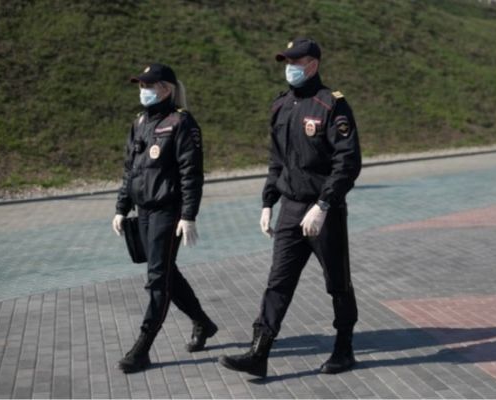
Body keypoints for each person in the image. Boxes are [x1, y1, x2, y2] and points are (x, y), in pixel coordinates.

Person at [218, 38, 362, 378]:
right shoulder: (281, 105)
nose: (289, 67)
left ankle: (344, 349)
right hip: (291, 208)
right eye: (286, 61)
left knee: (338, 282)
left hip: (324, 212)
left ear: (312, 64)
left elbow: (347, 162)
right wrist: (268, 202)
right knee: (278, 282)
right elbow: (277, 160)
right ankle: (259, 352)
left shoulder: (331, 105)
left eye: (295, 62)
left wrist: (324, 204)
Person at [111, 63, 217, 373]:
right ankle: (203, 323)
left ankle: (142, 348)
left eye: (149, 85)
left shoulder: (181, 123)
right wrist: (121, 207)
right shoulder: (140, 122)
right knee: (166, 272)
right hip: (143, 212)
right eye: (141, 85)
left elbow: (191, 174)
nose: (143, 90)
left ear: (166, 89)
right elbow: (130, 169)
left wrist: (188, 215)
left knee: (158, 280)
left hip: (167, 213)